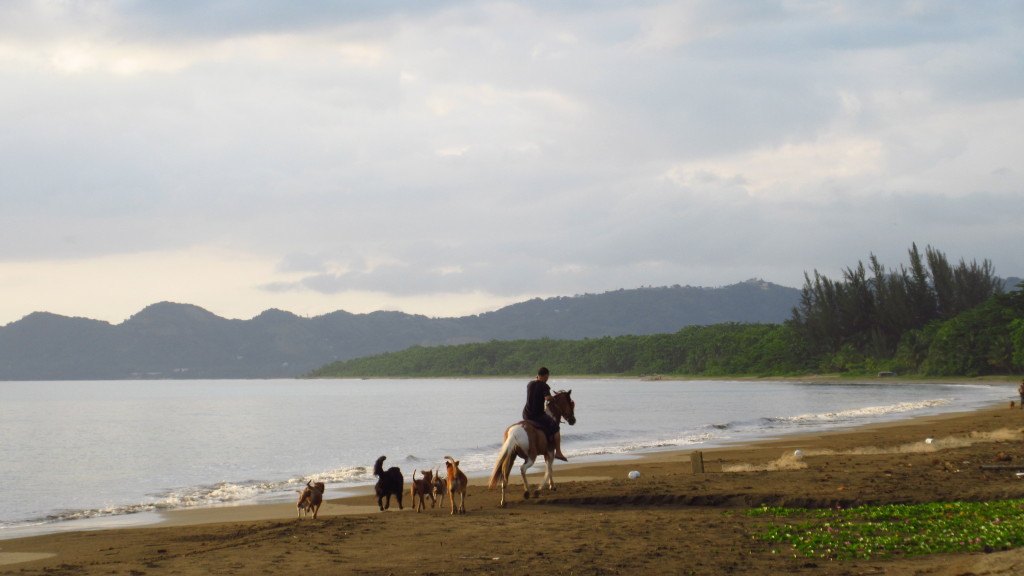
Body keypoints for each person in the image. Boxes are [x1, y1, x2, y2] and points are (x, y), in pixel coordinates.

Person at [522, 366, 568, 461]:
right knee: (555, 428)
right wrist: (552, 398)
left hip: (526, 414)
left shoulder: (530, 384)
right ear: (546, 376)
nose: (547, 379)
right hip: (537, 415)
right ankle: (558, 452)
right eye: (547, 377)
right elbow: (547, 398)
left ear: (538, 375)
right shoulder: (544, 385)